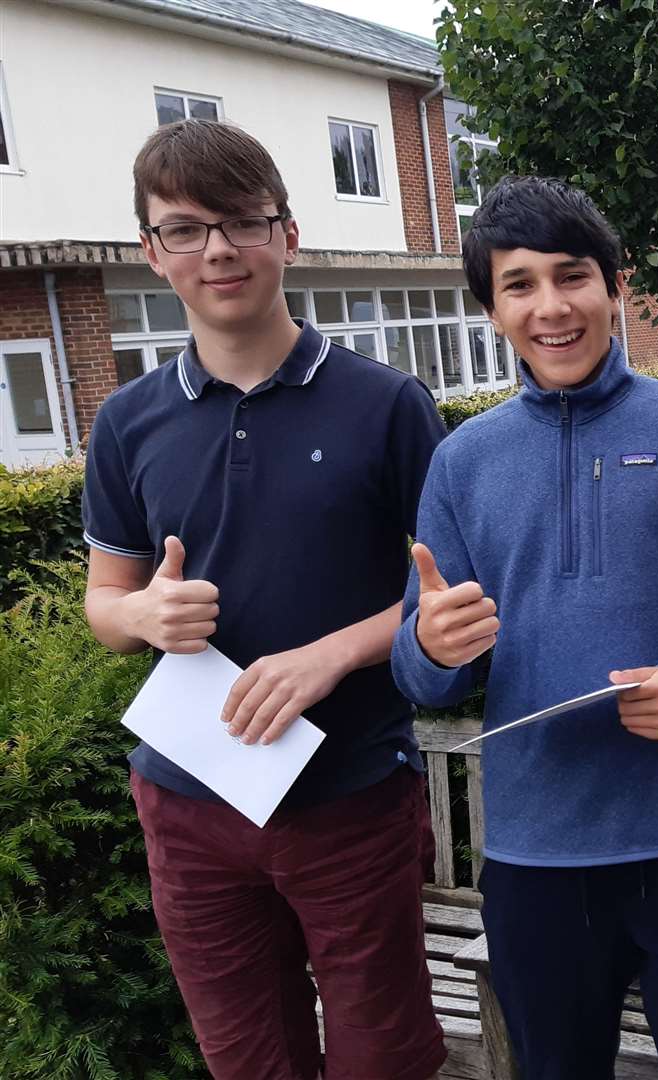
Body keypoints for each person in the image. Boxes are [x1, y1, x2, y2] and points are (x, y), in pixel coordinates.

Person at [389, 175, 658, 1080]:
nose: (552, 307)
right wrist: (429, 645)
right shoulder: (462, 462)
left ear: (617, 284)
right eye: (519, 284)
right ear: (490, 309)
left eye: (572, 275)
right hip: (537, 859)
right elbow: (422, 677)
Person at [81, 119, 447, 1080]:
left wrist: (333, 652)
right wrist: (142, 618)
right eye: (187, 229)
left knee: (385, 1058)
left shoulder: (386, 404)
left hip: (351, 796)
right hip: (187, 803)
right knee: (247, 1062)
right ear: (151, 254)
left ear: (286, 234)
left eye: (242, 222)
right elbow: (104, 601)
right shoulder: (127, 423)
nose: (219, 250)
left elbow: (447, 594)